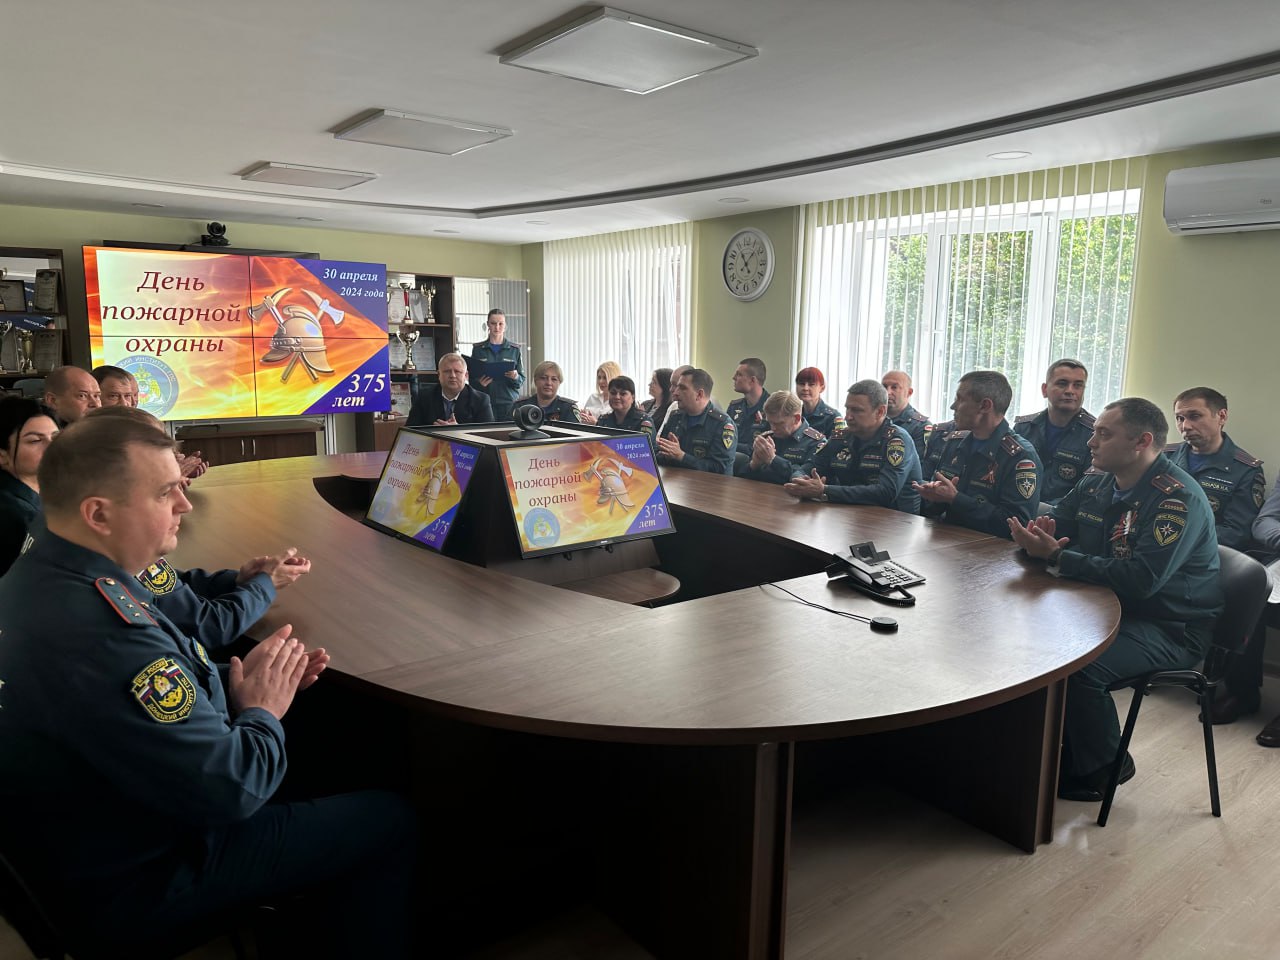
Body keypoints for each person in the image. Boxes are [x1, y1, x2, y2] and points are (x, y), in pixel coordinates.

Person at [0, 415, 416, 957]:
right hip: (143, 872)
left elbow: (127, 694)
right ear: (98, 514)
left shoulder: (52, 564)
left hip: (85, 827)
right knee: (388, 819)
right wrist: (260, 710)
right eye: (165, 492)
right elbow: (233, 788)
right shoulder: (103, 631)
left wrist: (235, 682)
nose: (185, 505)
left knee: (334, 730)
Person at [1009, 397, 1222, 802]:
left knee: (1079, 666)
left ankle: (1107, 766)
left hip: (1170, 626)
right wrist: (1037, 537)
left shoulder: (1176, 499)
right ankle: (1044, 744)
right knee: (1022, 634)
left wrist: (1057, 556)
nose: (1091, 442)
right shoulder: (1097, 481)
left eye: (1104, 434)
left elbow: (1142, 581)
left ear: (1142, 442)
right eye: (1094, 432)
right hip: (1105, 605)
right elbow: (1059, 525)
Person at [915, 370, 1041, 538]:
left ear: (985, 406)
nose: (953, 406)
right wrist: (933, 497)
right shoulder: (955, 442)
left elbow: (1016, 525)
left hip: (991, 548)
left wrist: (956, 499)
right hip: (948, 539)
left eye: (960, 399)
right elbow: (935, 509)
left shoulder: (1020, 456)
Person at [784, 380, 921, 512]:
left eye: (856, 410)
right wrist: (801, 480)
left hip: (896, 519)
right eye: (847, 409)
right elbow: (808, 468)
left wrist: (824, 490)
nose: (847, 417)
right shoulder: (841, 437)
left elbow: (885, 492)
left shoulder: (897, 441)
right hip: (850, 514)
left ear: (880, 412)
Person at [1164, 386, 1265, 551]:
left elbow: (1235, 534)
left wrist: (1177, 537)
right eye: (1179, 418)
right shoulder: (1163, 457)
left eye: (1195, 416)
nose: (1185, 426)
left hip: (1203, 554)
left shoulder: (1245, 469)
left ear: (1222, 416)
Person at [1013, 359, 1096, 508]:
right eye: (1062, 384)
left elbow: (1090, 490)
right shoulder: (1023, 428)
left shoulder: (1095, 435)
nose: (1070, 391)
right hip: (1019, 508)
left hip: (1064, 515)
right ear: (1045, 390)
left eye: (1078, 385)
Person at [0, 397, 57, 574]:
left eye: (56, 437)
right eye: (35, 441)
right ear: (2, 455)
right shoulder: (12, 515)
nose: (52, 447)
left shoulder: (50, 490)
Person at [736, 390, 826, 485]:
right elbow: (742, 479)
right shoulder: (767, 437)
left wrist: (773, 460)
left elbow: (803, 478)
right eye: (770, 423)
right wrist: (754, 465)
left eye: (778, 424)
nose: (773, 428)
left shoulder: (816, 443)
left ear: (796, 419)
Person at [656, 368, 735, 475]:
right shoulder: (675, 417)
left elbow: (720, 469)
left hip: (708, 484)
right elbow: (660, 454)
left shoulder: (722, 424)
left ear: (699, 394)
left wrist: (682, 456)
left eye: (682, 388)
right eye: (677, 387)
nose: (675, 392)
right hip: (676, 481)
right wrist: (665, 455)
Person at [406, 352, 494, 426]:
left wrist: (457, 431)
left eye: (457, 371)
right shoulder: (424, 397)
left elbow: (487, 436)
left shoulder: (481, 400)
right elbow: (410, 431)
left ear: (466, 375)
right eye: (447, 371)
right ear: (439, 375)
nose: (452, 376)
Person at [470, 308, 524, 421]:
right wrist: (479, 384)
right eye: (493, 323)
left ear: (505, 326)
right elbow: (471, 378)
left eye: (500, 324)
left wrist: (515, 377)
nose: (497, 327)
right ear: (488, 325)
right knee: (487, 431)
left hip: (508, 402)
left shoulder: (514, 350)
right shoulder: (478, 350)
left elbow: (521, 380)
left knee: (508, 431)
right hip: (486, 401)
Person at [726, 357, 769, 464]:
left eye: (739, 374)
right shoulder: (734, 407)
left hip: (758, 465)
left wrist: (733, 446)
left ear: (752, 380)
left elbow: (765, 448)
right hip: (732, 462)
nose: (733, 378)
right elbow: (723, 438)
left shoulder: (773, 408)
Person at [881, 369, 931, 459]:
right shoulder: (872, 419)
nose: (887, 392)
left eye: (894, 387)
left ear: (909, 392)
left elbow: (918, 464)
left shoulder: (920, 427)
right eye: (884, 387)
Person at [513, 361, 581, 423]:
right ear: (535, 381)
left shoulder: (568, 408)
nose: (548, 383)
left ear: (559, 383)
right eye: (543, 378)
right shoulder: (520, 406)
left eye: (554, 379)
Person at [794, 367, 846, 440]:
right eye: (801, 384)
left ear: (822, 388)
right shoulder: (793, 415)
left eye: (811, 384)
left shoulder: (833, 417)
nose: (805, 388)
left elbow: (838, 445)